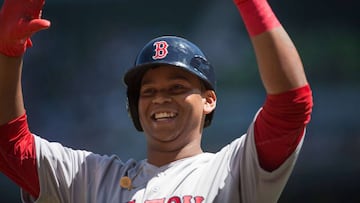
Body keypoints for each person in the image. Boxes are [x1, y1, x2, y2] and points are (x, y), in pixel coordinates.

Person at [0, 0, 313, 202]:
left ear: (209, 100)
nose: (160, 97)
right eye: (147, 92)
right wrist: (8, 54)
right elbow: (11, 147)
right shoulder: (93, 179)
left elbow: (291, 105)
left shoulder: (233, 169)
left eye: (177, 87)